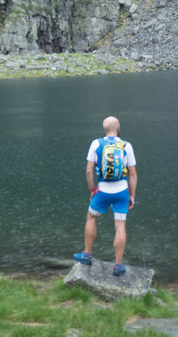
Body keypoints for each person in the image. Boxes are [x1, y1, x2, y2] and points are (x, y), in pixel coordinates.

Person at [73, 116, 138, 276]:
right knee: (120, 227)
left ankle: (87, 255)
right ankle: (117, 266)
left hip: (102, 192)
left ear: (105, 129)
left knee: (91, 218)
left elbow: (88, 171)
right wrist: (132, 195)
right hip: (121, 192)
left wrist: (92, 190)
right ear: (118, 128)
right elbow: (133, 173)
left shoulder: (96, 144)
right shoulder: (126, 146)